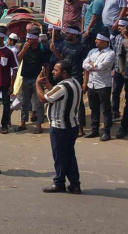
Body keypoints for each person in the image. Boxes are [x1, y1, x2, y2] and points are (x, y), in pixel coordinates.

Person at [36, 61, 82, 194]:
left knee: (60, 156)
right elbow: (55, 93)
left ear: (64, 73)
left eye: (55, 70)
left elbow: (43, 99)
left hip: (60, 127)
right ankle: (75, 184)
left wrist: (37, 84)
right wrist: (48, 85)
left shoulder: (62, 87)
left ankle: (59, 183)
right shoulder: (75, 82)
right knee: (69, 155)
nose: (52, 72)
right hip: (72, 125)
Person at [49, 25, 90, 136]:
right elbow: (61, 60)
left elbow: (86, 65)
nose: (65, 34)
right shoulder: (65, 44)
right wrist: (54, 51)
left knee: (78, 103)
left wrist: (85, 82)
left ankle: (80, 128)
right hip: (63, 76)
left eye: (68, 33)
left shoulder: (82, 47)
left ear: (74, 34)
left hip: (76, 77)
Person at [82, 33, 116, 141]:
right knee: (93, 108)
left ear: (105, 41)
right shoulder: (92, 51)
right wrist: (92, 66)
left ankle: (106, 131)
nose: (95, 41)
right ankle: (94, 130)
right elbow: (84, 64)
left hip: (103, 85)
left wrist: (92, 65)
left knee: (105, 109)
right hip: (92, 84)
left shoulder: (110, 53)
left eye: (98, 40)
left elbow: (102, 66)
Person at [14, 31, 50, 134]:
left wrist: (45, 78)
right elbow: (18, 59)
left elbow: (46, 65)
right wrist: (24, 50)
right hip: (26, 78)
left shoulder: (42, 49)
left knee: (39, 103)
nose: (27, 40)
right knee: (25, 102)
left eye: (29, 39)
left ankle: (38, 125)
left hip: (37, 80)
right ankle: (23, 123)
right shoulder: (24, 48)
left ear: (35, 40)